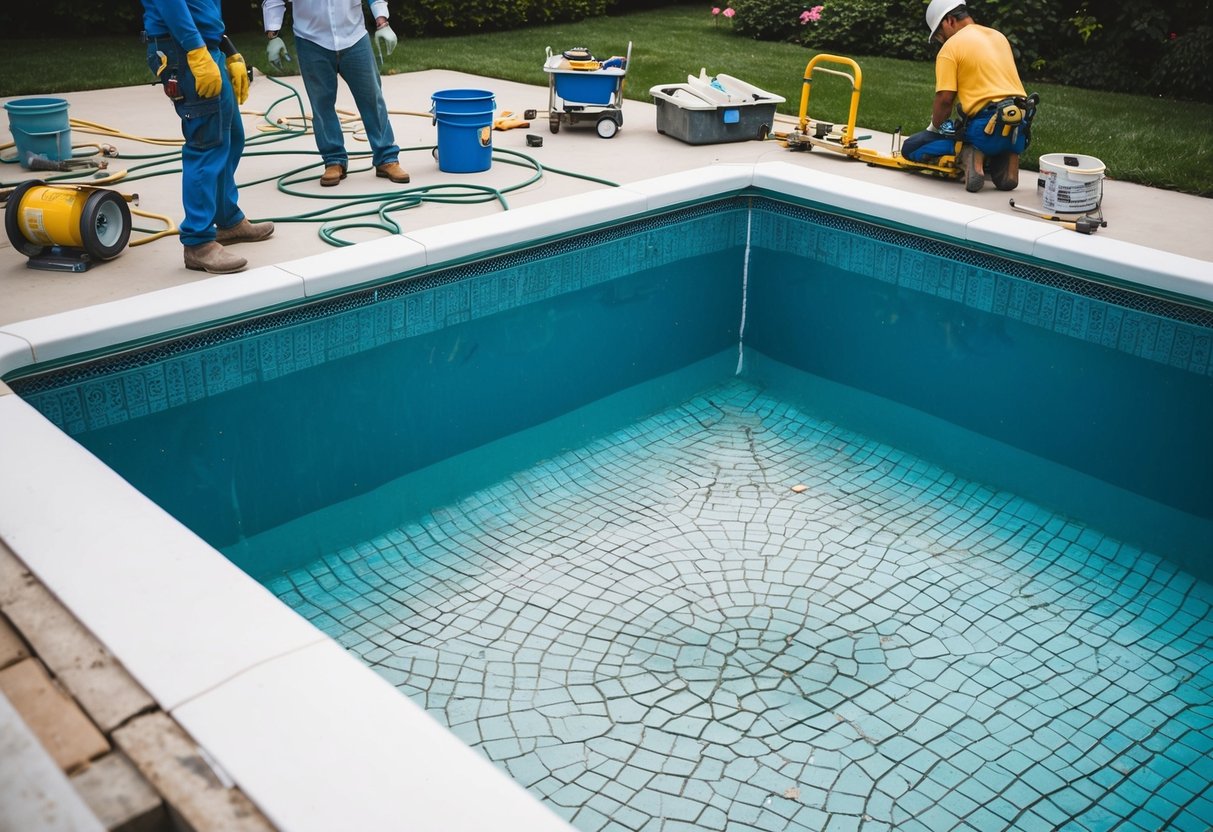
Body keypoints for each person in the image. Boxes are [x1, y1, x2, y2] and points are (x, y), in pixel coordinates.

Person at [142, 0, 274, 274]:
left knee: (232, 135)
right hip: (184, 50)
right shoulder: (191, 48)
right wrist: (196, 50)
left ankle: (228, 220)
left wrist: (227, 49)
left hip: (202, 46)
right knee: (207, 143)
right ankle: (198, 242)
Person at [261, 0, 410, 188]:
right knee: (321, 104)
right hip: (311, 40)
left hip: (354, 37)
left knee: (372, 98)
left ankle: (386, 158)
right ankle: (333, 160)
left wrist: (382, 22)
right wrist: (273, 35)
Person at [901, 2, 1036, 193]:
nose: (942, 41)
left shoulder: (951, 48)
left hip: (984, 130)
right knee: (998, 141)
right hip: (1018, 129)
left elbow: (945, 99)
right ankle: (1008, 158)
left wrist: (934, 129)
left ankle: (969, 154)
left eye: (940, 35)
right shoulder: (998, 37)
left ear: (949, 20)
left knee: (911, 147)